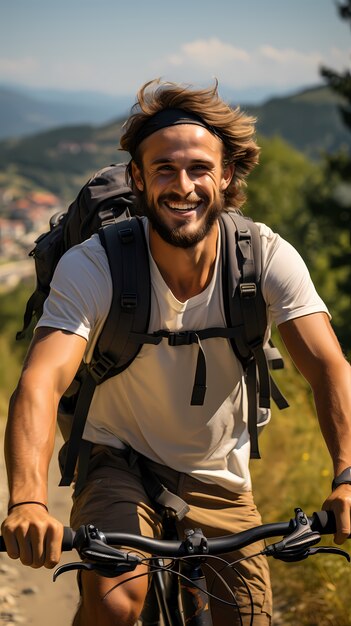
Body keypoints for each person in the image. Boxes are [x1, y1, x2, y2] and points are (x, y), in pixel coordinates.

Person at [1, 78, 351, 626]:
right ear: (137, 179)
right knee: (117, 604)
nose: (181, 186)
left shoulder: (264, 259)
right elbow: (41, 382)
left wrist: (347, 475)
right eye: (163, 169)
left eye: (198, 169)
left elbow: (330, 369)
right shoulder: (96, 266)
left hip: (218, 471)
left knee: (248, 616)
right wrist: (27, 500)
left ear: (227, 175)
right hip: (117, 458)